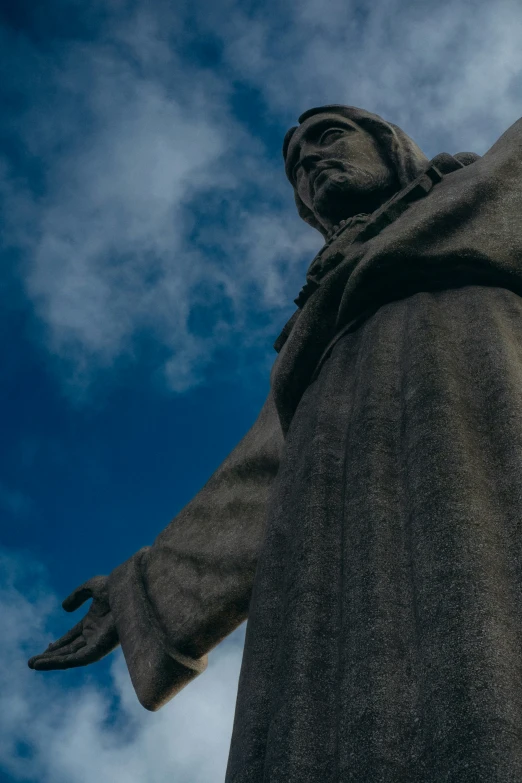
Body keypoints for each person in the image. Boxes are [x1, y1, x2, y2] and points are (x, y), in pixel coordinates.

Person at [30, 105, 522, 782]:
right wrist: (144, 586)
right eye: (296, 165)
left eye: (328, 137)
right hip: (329, 518)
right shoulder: (313, 338)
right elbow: (259, 473)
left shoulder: (485, 189)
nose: (311, 162)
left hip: (483, 390)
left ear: (392, 147)